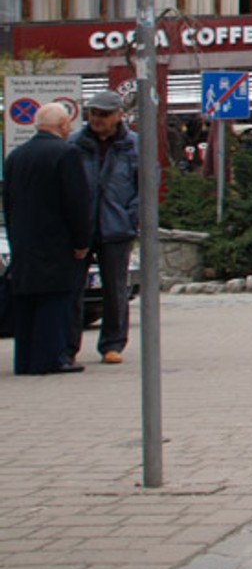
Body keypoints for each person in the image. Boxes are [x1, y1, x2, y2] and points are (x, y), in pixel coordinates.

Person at [4, 103, 93, 375]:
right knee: (56, 301)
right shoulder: (67, 154)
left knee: (27, 303)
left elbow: (8, 201)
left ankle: (25, 360)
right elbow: (76, 202)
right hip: (57, 242)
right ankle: (52, 358)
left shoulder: (16, 156)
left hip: (24, 242)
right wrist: (82, 241)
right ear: (64, 126)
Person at [69, 90, 139, 366]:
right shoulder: (74, 144)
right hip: (81, 226)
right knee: (73, 290)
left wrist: (131, 217)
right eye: (93, 113)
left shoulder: (133, 145)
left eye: (103, 114)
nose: (97, 119)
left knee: (115, 289)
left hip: (116, 227)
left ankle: (112, 344)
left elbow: (146, 184)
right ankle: (68, 346)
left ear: (119, 116)